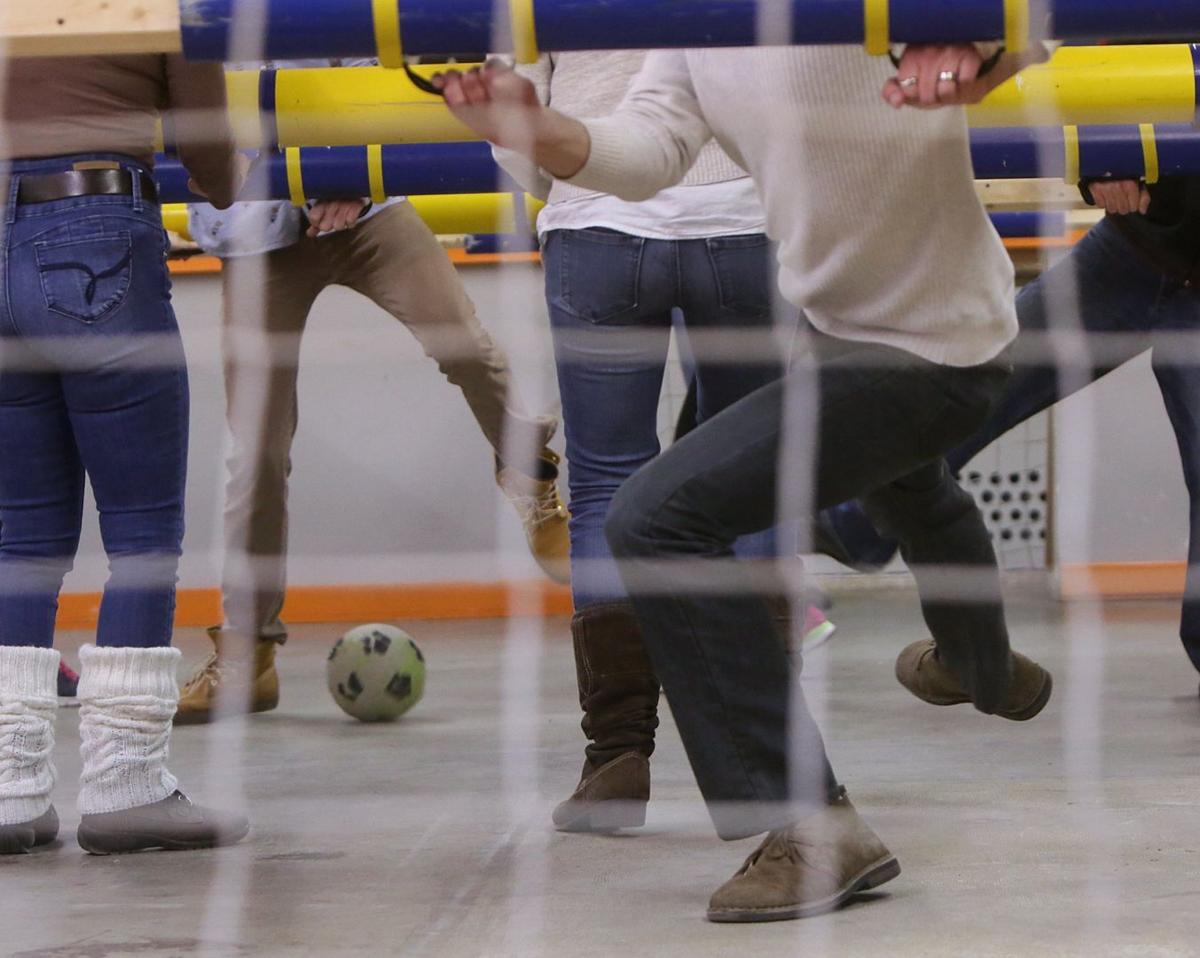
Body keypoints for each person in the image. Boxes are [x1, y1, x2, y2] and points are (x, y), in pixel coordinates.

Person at [435, 42, 1054, 921]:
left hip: (933, 349)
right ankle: (987, 672)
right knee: (911, 490)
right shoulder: (698, 30)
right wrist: (534, 127)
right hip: (843, 335)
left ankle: (811, 827)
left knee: (655, 519)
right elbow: (644, 154)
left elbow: (1023, 28)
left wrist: (978, 47)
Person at [491, 52, 832, 834]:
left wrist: (564, 189)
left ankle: (616, 758)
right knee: (753, 479)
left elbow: (510, 99)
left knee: (607, 481)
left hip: (598, 217)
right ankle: (769, 759)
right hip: (746, 218)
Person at [174, 59, 569, 725]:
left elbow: (369, 71)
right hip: (255, 236)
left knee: (465, 345)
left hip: (364, 212)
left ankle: (531, 480)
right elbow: (197, 119)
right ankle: (248, 654)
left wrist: (349, 173)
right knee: (256, 454)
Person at [0, 54, 249, 855]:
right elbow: (213, 163)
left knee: (20, 536)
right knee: (142, 528)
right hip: (94, 227)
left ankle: (8, 786)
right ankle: (127, 782)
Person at [819, 170, 1200, 687]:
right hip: (1137, 244)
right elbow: (1092, 96)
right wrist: (1103, 168)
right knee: (972, 383)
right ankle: (845, 526)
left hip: (1157, 250)